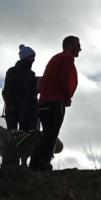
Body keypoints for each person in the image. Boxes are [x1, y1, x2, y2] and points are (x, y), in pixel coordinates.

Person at [30, 36, 81, 172]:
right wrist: (66, 97)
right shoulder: (67, 58)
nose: (80, 49)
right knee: (51, 134)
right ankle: (41, 163)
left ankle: (36, 163)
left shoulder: (57, 58)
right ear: (69, 45)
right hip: (55, 101)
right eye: (77, 45)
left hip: (44, 102)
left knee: (48, 133)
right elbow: (64, 78)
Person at [3, 44, 40, 133]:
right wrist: (9, 105)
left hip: (28, 109)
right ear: (25, 58)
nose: (33, 60)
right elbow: (8, 90)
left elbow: (32, 91)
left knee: (28, 134)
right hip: (14, 108)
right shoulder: (12, 72)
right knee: (13, 134)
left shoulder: (32, 74)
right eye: (31, 57)